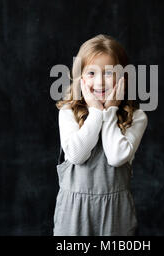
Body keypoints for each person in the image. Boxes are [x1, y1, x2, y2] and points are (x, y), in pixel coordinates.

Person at [53, 34, 148, 236]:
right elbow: (77, 156)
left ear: (123, 78)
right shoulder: (68, 113)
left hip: (116, 215)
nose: (99, 81)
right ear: (80, 78)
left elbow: (116, 157)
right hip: (74, 215)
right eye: (91, 73)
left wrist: (110, 111)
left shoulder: (137, 117)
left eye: (108, 73)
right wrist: (96, 112)